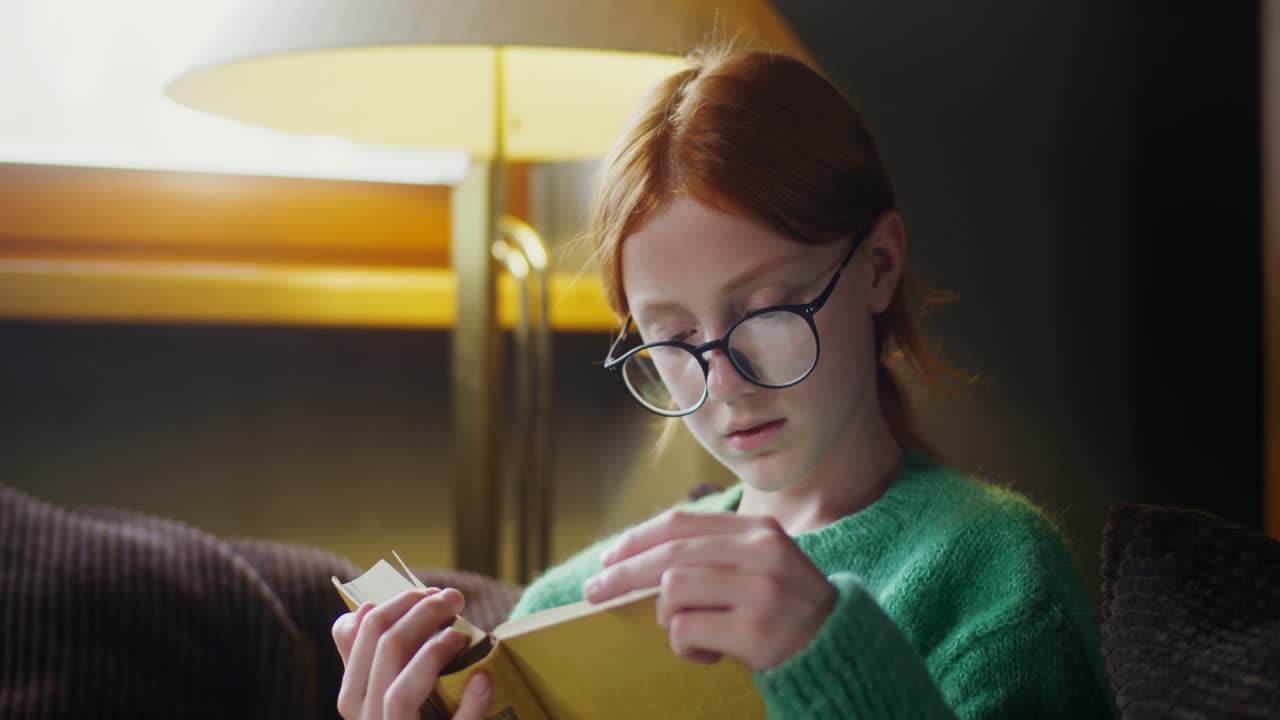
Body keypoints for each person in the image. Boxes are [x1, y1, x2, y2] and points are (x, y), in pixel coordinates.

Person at [330, 46, 1115, 719]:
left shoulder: (995, 577)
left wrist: (829, 657)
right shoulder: (568, 611)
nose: (724, 381)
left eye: (768, 311)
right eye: (673, 338)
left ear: (879, 265)